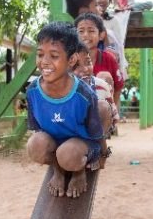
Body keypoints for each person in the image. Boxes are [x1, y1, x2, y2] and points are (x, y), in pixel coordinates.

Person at [26, 22, 109, 199]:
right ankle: (59, 171)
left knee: (68, 154)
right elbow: (37, 130)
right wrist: (53, 159)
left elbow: (96, 133)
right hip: (55, 142)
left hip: (80, 144)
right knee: (34, 146)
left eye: (54, 56)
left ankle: (78, 173)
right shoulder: (33, 91)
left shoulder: (83, 94)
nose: (45, 61)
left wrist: (103, 154)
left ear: (71, 60)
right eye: (40, 54)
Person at [75, 12, 124, 108]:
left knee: (104, 76)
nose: (85, 35)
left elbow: (118, 87)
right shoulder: (70, 59)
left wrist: (113, 109)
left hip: (101, 110)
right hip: (77, 108)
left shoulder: (109, 59)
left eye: (91, 31)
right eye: (81, 31)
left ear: (101, 35)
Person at [72, 42, 118, 135]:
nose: (85, 69)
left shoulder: (100, 86)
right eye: (76, 65)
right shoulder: (59, 87)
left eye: (88, 62)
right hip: (69, 132)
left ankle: (99, 146)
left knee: (102, 106)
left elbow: (113, 116)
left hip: (94, 133)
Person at [91, 0, 129, 81]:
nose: (101, 0)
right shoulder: (86, 19)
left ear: (110, 0)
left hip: (107, 60)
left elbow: (118, 45)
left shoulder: (113, 21)